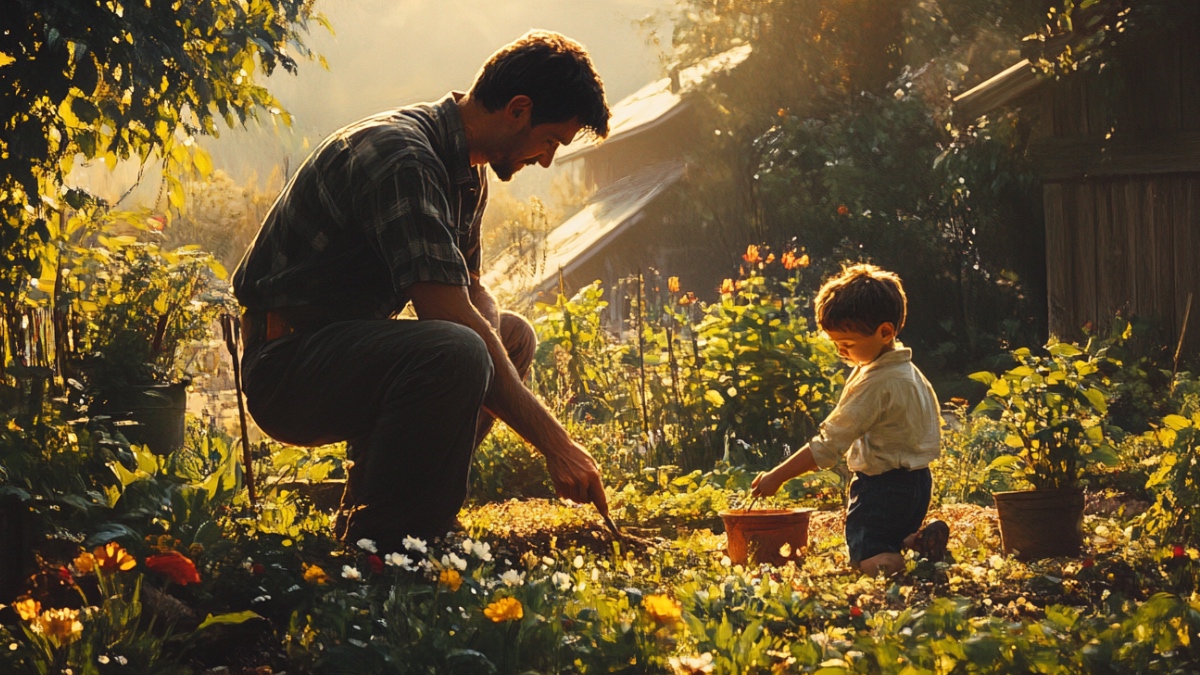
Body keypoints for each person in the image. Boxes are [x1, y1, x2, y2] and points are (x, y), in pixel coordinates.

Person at [231, 31, 612, 551]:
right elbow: (446, 312)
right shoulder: (404, 158)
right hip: (288, 364)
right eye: (551, 141)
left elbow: (469, 293)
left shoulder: (466, 174)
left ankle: (382, 507)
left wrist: (488, 321)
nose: (546, 160)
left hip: (347, 348)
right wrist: (557, 444)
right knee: (458, 350)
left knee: (511, 336)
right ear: (518, 110)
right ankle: (394, 542)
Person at [750, 264, 948, 576]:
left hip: (883, 488)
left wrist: (778, 476)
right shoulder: (908, 372)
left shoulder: (877, 382)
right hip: (917, 483)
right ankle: (917, 544)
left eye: (848, 344)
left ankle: (910, 567)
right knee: (888, 538)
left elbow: (829, 445)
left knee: (867, 557)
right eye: (836, 344)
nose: (842, 351)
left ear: (885, 332)